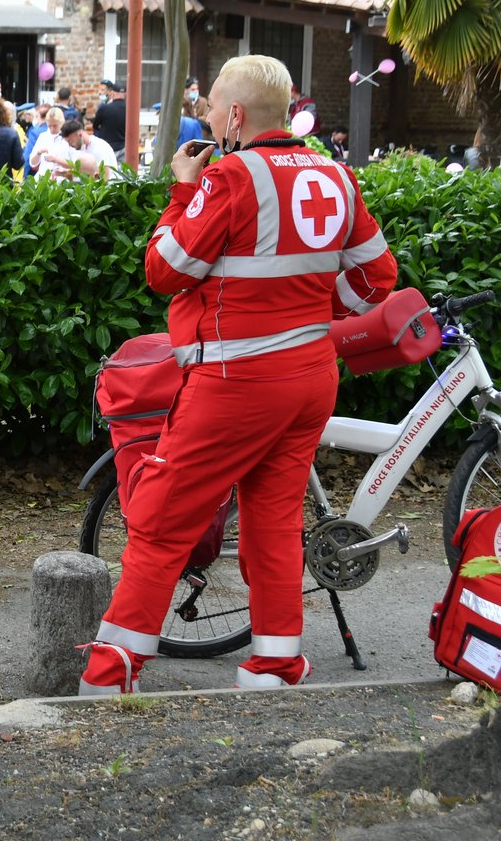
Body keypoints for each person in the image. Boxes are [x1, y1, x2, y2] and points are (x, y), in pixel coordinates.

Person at [79, 55, 397, 696]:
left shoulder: (227, 177)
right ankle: (276, 665)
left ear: (233, 116)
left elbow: (165, 269)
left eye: (209, 109)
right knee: (274, 521)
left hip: (235, 380)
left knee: (162, 520)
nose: (206, 120)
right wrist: (305, 309)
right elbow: (374, 284)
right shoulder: (337, 176)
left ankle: (110, 673)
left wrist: (182, 189)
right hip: (309, 377)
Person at [40, 117, 119, 180]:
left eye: (70, 141)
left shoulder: (100, 147)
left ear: (80, 134)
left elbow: (105, 177)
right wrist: (65, 174)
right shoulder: (82, 148)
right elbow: (83, 173)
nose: (70, 145)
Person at [93, 79, 128, 155]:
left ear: (112, 93)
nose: (100, 92)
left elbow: (95, 125)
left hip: (106, 147)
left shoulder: (104, 108)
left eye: (102, 90)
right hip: (123, 146)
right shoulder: (130, 109)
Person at [21, 104, 53, 178]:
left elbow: (27, 156)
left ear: (44, 117)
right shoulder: (58, 132)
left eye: (37, 116)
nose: (36, 119)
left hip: (35, 173)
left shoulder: (35, 132)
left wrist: (24, 175)